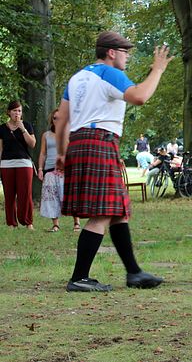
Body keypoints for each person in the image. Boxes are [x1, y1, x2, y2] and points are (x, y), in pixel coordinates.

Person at [56, 31, 172, 292]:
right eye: (125, 52)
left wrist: (62, 152)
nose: (127, 57)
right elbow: (140, 96)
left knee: (117, 211)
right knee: (103, 212)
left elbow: (62, 119)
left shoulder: (76, 78)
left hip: (79, 140)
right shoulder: (108, 73)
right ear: (111, 53)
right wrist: (158, 70)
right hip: (99, 142)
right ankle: (78, 277)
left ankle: (134, 272)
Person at [38, 109, 81, 232]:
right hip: (50, 169)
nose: (57, 120)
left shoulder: (70, 133)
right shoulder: (46, 135)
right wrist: (40, 168)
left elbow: (73, 151)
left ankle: (76, 222)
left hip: (66, 169)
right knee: (52, 196)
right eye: (55, 118)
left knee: (70, 195)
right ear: (52, 120)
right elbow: (42, 153)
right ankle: (55, 224)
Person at [0, 100, 37, 230]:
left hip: (24, 163)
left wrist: (23, 129)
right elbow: (0, 149)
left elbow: (32, 144)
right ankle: (11, 223)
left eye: (19, 111)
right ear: (9, 112)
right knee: (9, 194)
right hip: (6, 164)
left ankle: (28, 222)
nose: (17, 113)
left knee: (25, 194)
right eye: (15, 110)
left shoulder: (26, 125)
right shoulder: (2, 128)